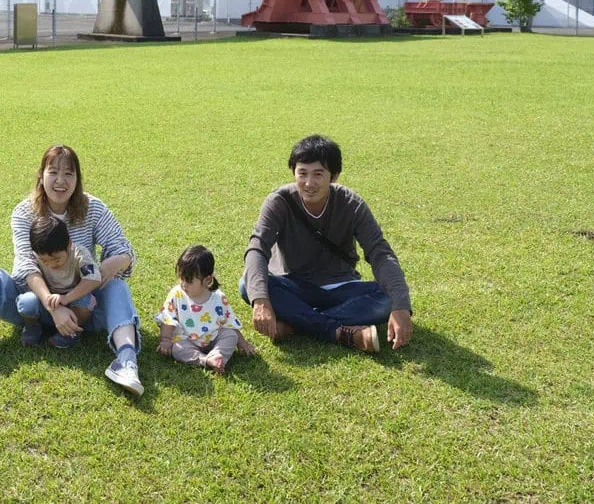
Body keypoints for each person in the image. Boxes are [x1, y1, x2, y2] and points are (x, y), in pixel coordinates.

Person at [0, 144, 145, 395]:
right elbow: (25, 266)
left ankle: (126, 361)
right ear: (41, 176)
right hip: (32, 305)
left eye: (69, 174)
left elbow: (125, 252)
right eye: (53, 172)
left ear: (78, 178)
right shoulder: (24, 212)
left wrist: (102, 270)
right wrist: (54, 306)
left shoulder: (93, 208)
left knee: (117, 285)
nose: (61, 181)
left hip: (83, 310)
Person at [240, 135, 414, 353]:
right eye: (302, 173)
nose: (308, 183)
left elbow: (380, 253)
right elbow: (257, 249)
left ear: (334, 176)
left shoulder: (351, 204)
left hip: (341, 286)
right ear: (293, 172)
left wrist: (401, 306)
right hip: (293, 285)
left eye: (318, 174)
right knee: (248, 286)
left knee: (389, 298)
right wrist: (261, 300)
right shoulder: (279, 201)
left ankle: (298, 324)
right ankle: (340, 331)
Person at [155, 245, 257, 373]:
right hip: (187, 340)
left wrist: (242, 342)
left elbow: (228, 322)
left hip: (214, 339)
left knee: (230, 336)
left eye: (189, 281)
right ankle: (206, 360)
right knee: (178, 348)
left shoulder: (218, 297)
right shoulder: (177, 294)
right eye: (181, 278)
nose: (183, 284)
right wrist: (165, 340)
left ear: (207, 279)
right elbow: (168, 319)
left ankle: (217, 356)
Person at [20, 216, 102, 348]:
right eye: (45, 261)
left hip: (73, 298)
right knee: (26, 302)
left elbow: (93, 278)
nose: (51, 264)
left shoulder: (79, 254)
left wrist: (66, 298)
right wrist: (51, 301)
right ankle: (33, 326)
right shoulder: (34, 256)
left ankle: (70, 333)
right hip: (47, 300)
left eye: (56, 259)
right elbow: (29, 276)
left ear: (69, 244)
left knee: (86, 302)